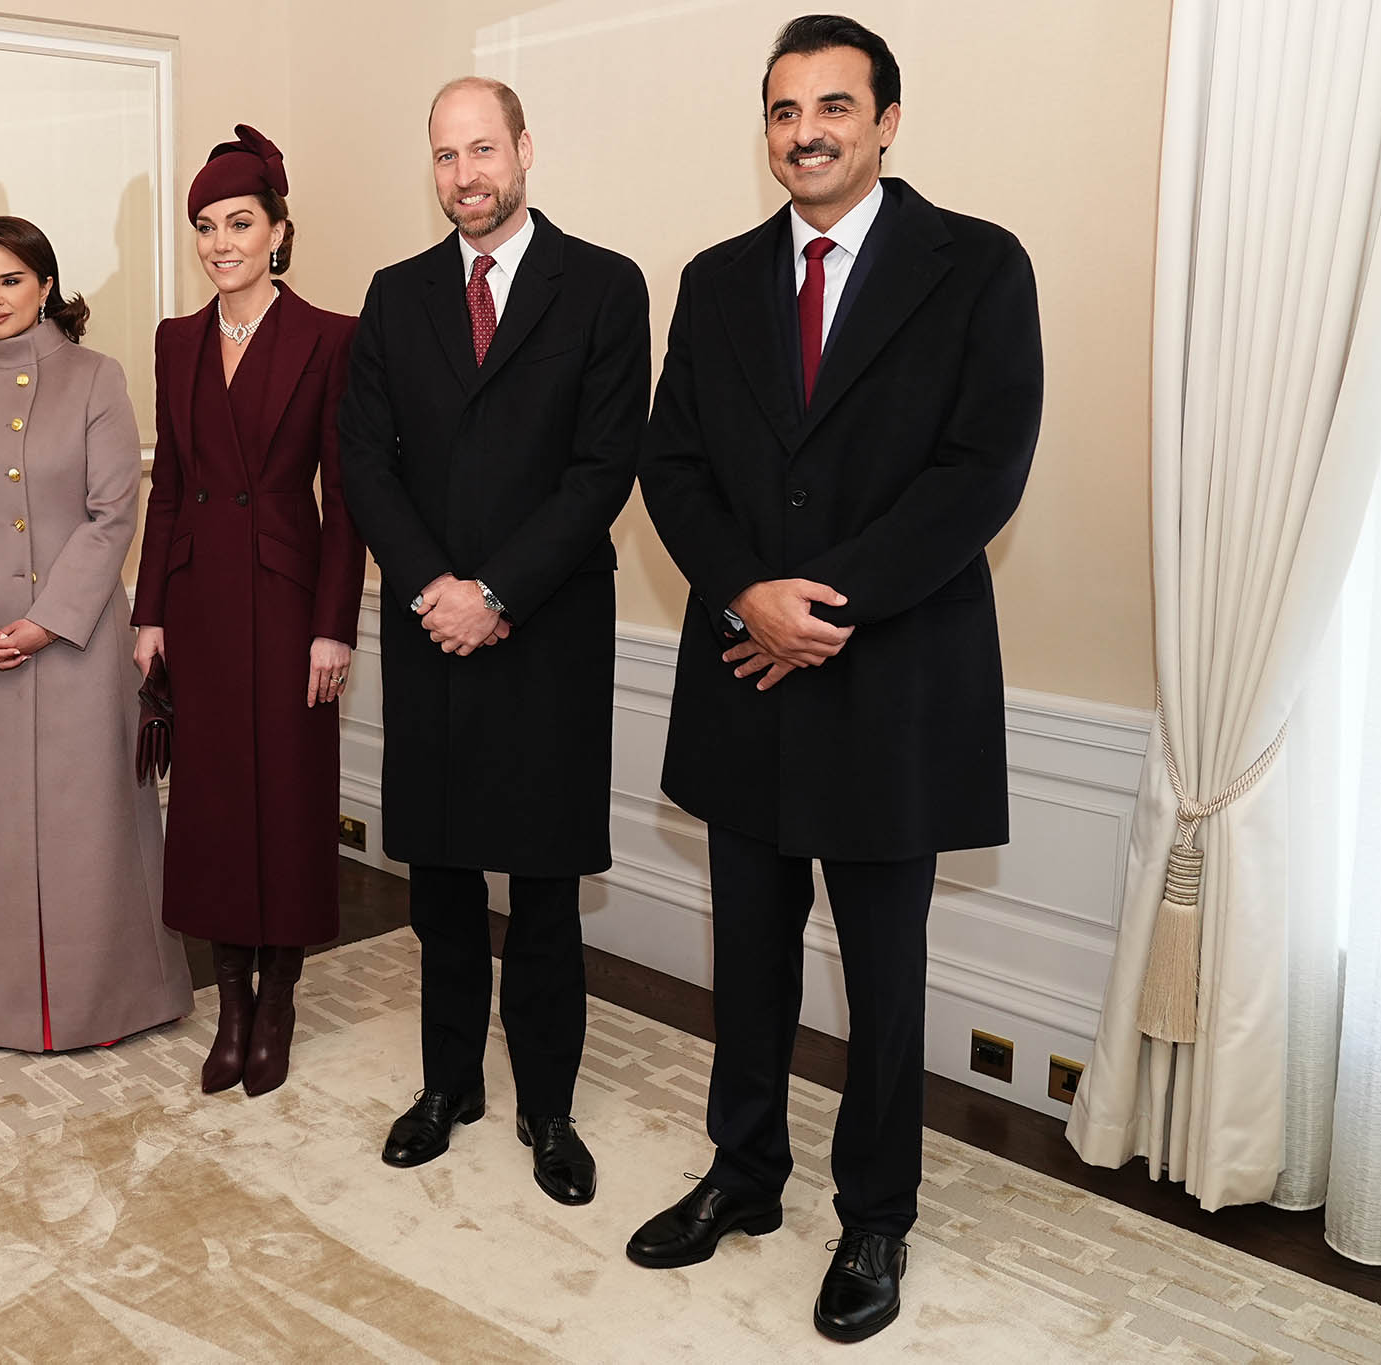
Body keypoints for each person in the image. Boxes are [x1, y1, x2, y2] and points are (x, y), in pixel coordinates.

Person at [628, 14, 1042, 1344]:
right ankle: (743, 1175)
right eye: (783, 109)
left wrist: (827, 607)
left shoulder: (976, 267)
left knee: (883, 973)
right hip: (746, 669)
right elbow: (672, 463)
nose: (805, 131)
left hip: (891, 683)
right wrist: (748, 593)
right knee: (743, 957)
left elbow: (982, 470)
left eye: (833, 106)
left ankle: (878, 1216)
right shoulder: (715, 276)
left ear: (887, 120)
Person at [338, 77, 649, 1207]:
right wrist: (434, 586)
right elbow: (365, 460)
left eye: (481, 150)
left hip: (547, 631)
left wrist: (498, 592)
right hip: (430, 632)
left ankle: (549, 1110)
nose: (463, 175)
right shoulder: (395, 294)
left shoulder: (604, 287)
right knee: (441, 882)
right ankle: (445, 1088)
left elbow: (601, 468)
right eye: (442, 156)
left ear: (524, 149)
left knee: (547, 888)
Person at [0, 215, 194, 1053]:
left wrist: (44, 622)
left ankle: (114, 1000)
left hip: (75, 638)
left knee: (92, 828)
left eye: (10, 280)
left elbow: (112, 515)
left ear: (47, 286)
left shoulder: (97, 378)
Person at [132, 125, 364, 1098]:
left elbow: (345, 497)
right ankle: (228, 1003)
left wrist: (334, 625)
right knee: (215, 810)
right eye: (203, 226)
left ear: (277, 231)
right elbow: (169, 485)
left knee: (287, 804)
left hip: (285, 600)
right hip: (196, 605)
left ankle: (278, 1002)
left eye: (238, 222)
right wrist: (147, 612)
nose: (218, 241)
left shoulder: (331, 337)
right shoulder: (176, 340)